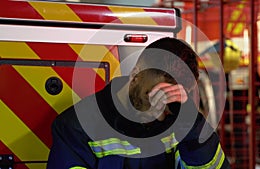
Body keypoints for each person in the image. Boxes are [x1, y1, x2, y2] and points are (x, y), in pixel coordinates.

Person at [47, 37, 231, 169]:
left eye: (170, 100)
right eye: (153, 95)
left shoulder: (179, 123)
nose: (160, 114)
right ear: (135, 75)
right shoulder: (76, 128)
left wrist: (192, 128)